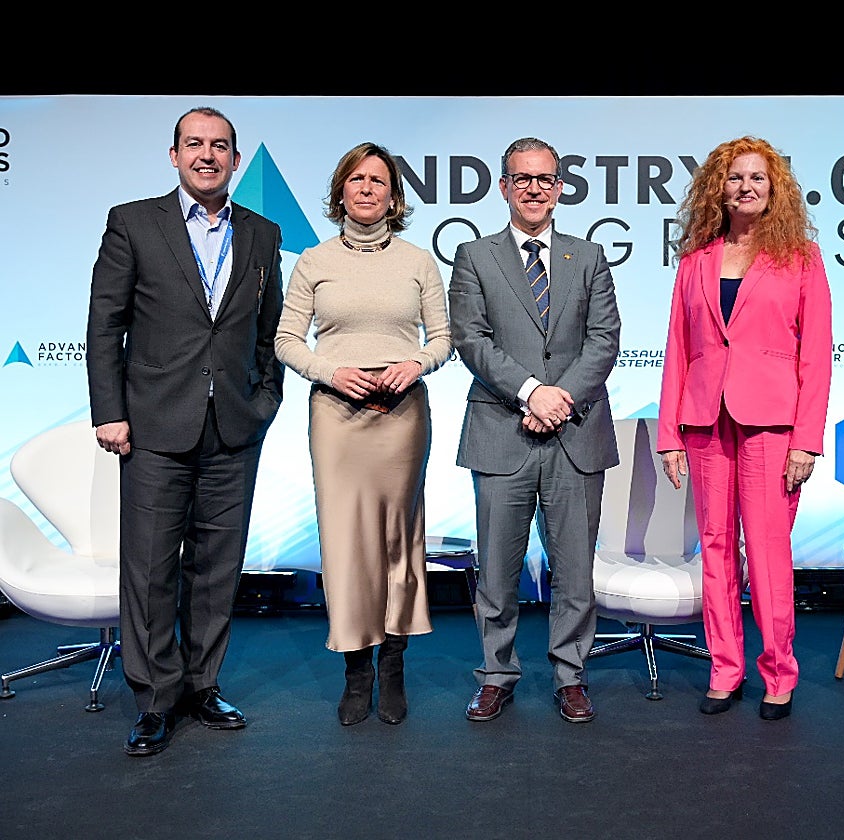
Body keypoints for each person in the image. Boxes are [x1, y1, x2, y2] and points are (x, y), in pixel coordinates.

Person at [86, 106, 285, 757]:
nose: (207, 155)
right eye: (194, 144)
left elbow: (269, 331)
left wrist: (264, 403)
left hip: (233, 428)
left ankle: (202, 685)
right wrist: (109, 411)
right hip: (152, 427)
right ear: (173, 155)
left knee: (216, 568)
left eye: (219, 145)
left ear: (235, 158)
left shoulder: (262, 232)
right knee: (149, 569)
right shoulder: (133, 223)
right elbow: (104, 325)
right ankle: (154, 698)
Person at [274, 142, 452, 726]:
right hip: (336, 414)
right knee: (346, 541)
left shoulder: (417, 261)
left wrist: (416, 363)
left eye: (378, 180)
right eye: (356, 179)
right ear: (341, 191)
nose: (367, 188)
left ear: (394, 195)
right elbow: (286, 340)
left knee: (399, 537)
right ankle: (356, 670)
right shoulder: (313, 261)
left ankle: (393, 664)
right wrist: (331, 373)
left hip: (401, 414)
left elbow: (443, 339)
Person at [658, 136, 833, 721]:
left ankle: (779, 674)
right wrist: (669, 434)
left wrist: (807, 440)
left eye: (758, 177)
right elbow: (678, 352)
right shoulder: (695, 262)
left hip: (772, 427)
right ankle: (724, 670)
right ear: (719, 188)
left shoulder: (801, 258)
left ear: (774, 188)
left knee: (766, 553)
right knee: (714, 548)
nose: (746, 186)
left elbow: (817, 356)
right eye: (735, 177)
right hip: (705, 422)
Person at [448, 137, 621, 724]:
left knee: (574, 572)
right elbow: (471, 339)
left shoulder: (588, 256)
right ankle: (497, 675)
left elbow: (604, 340)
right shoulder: (474, 256)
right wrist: (530, 392)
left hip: (576, 435)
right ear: (503, 187)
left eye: (545, 179)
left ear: (560, 188)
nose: (534, 189)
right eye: (522, 179)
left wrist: (558, 400)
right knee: (497, 572)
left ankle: (571, 676)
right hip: (503, 433)